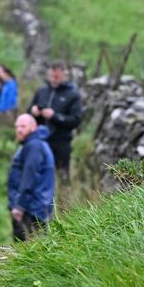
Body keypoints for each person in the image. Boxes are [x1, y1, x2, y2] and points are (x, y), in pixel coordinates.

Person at [28, 62, 84, 197]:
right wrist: (33, 112)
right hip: (40, 140)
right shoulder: (42, 91)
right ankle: (37, 204)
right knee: (37, 173)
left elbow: (76, 120)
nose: (54, 79)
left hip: (61, 142)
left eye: (57, 77)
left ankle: (64, 206)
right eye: (52, 76)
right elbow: (29, 113)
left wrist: (55, 116)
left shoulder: (73, 95)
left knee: (62, 175)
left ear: (64, 75)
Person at [8, 113, 54, 241]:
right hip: (35, 206)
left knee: (25, 248)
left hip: (31, 209)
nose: (19, 130)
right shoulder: (35, 144)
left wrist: (19, 206)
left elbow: (30, 177)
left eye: (23, 126)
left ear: (33, 127)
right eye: (17, 127)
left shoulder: (34, 146)